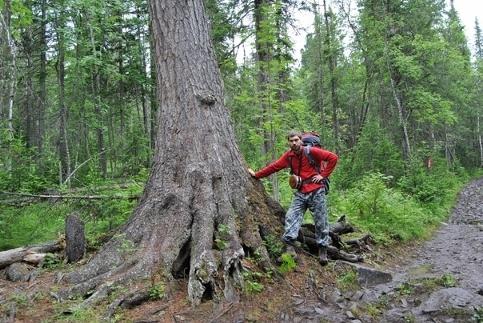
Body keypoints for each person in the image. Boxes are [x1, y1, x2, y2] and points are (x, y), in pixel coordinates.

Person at [248, 130, 338, 265]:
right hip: (301, 192)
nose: (294, 143)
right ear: (288, 142)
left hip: (316, 191)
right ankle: (290, 247)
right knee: (291, 216)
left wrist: (323, 176)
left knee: (321, 221)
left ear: (301, 140)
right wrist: (256, 175)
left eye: (296, 140)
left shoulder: (311, 151)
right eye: (291, 141)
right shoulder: (289, 156)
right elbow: (274, 167)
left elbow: (333, 158)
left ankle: (323, 250)